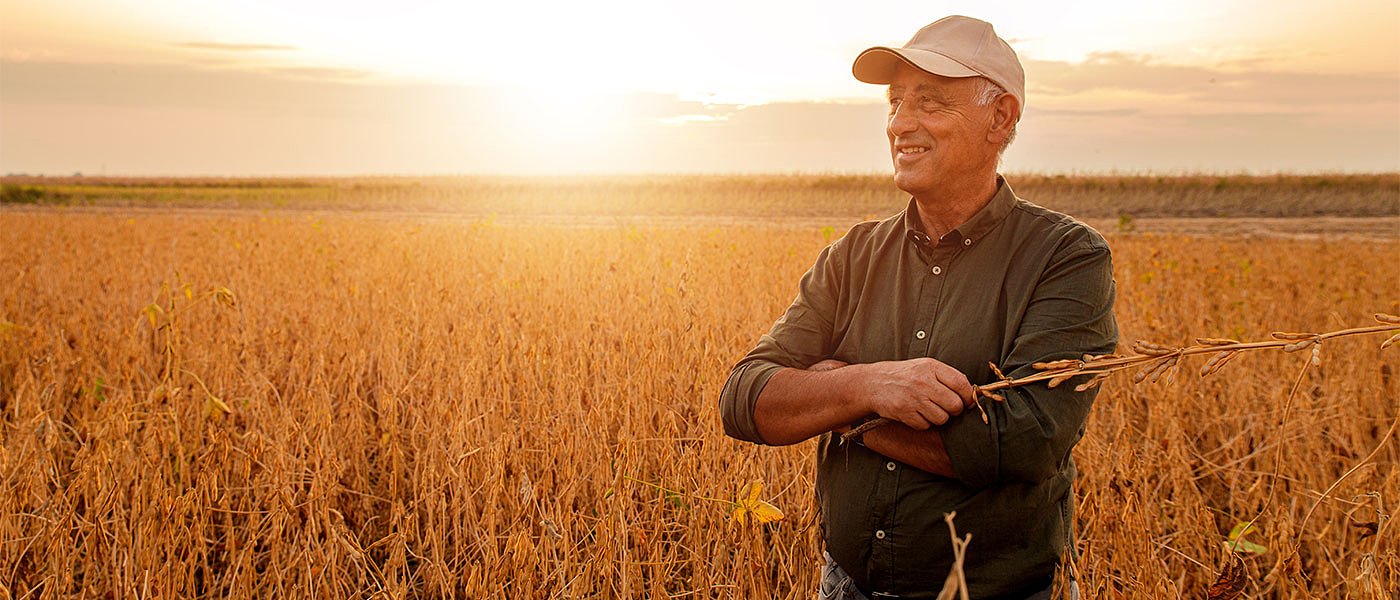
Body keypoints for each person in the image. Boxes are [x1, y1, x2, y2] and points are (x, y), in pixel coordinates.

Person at [718, 15, 1118, 600]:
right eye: (895, 102)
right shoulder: (853, 255)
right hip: (847, 585)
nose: (901, 123)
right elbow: (744, 400)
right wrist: (868, 385)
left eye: (930, 101)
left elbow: (1023, 443)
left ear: (1000, 117)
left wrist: (839, 408)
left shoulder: (1065, 256)